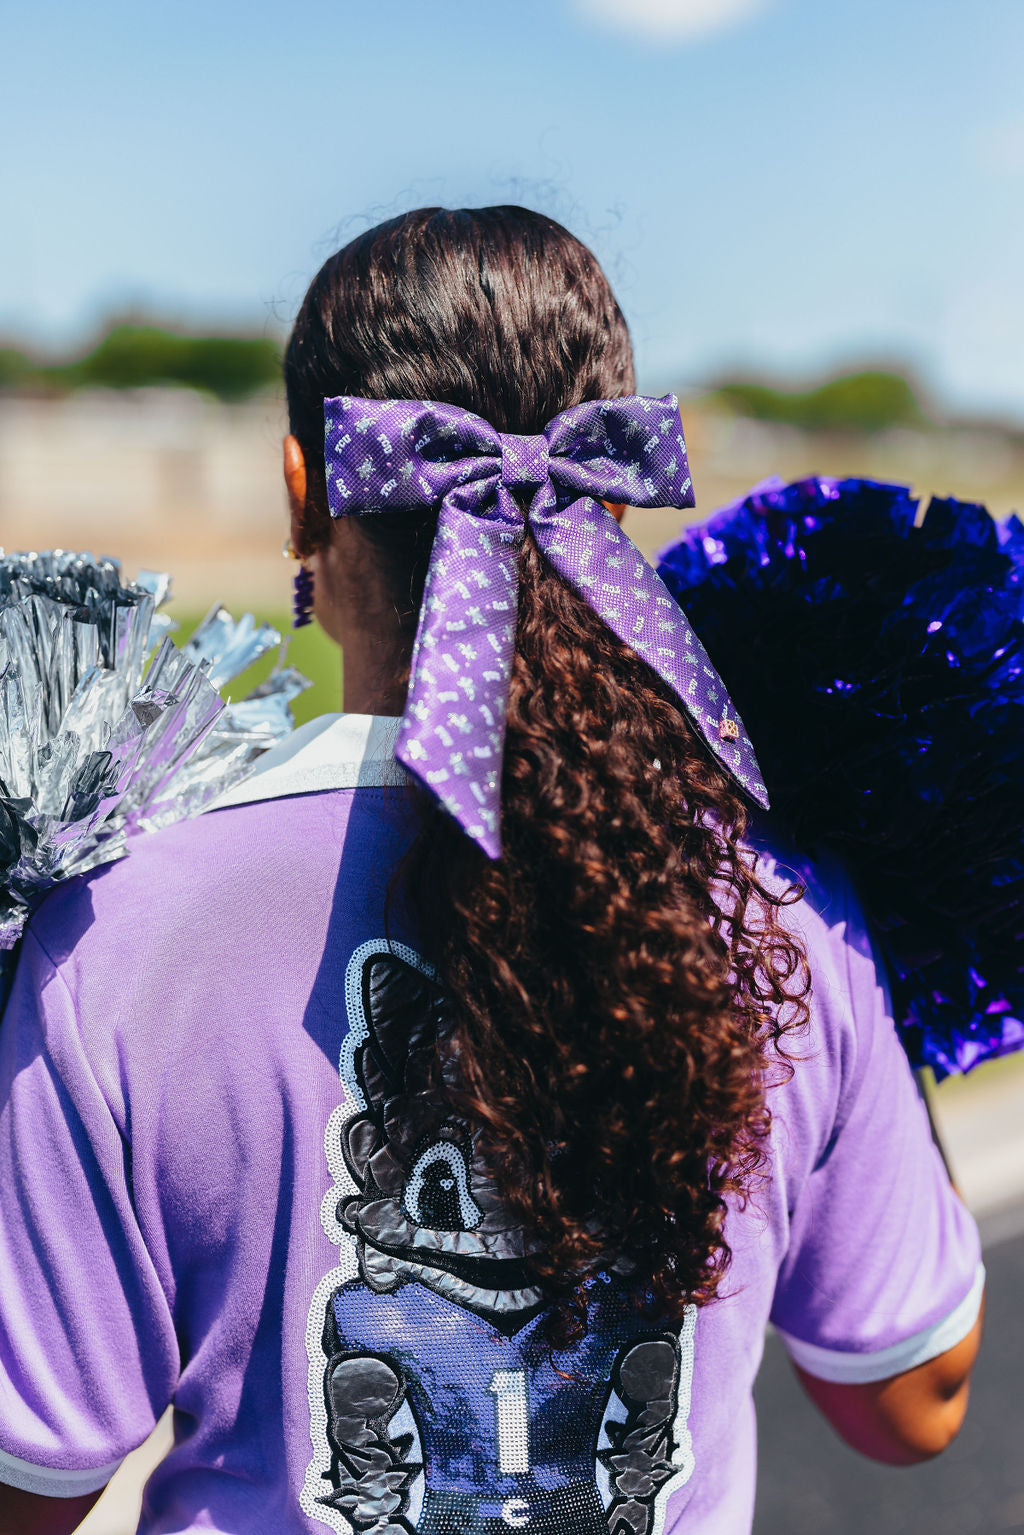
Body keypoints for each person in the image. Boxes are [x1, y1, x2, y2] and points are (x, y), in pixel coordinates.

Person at [0, 206, 982, 1535]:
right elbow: (910, 1403)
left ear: (304, 491)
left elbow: (34, 1482)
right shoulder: (784, 898)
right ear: (621, 484)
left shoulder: (118, 926)